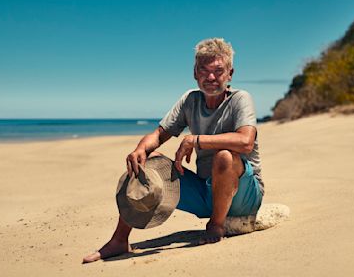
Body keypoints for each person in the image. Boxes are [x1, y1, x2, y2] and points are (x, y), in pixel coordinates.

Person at [83, 38, 264, 263]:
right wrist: (140, 148)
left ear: (230, 73)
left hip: (243, 194)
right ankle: (120, 239)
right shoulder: (190, 100)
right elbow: (159, 135)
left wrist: (196, 140)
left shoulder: (240, 99)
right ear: (195, 73)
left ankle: (216, 226)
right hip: (206, 194)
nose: (210, 77)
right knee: (148, 161)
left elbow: (246, 141)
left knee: (224, 156)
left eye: (218, 71)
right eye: (204, 71)